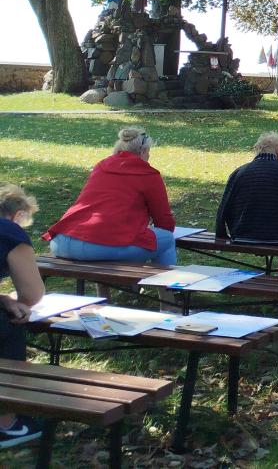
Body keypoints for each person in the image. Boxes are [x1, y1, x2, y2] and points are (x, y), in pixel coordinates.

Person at [45, 127, 176, 265]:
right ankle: (166, 280)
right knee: (167, 240)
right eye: (148, 152)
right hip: (97, 245)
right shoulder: (148, 174)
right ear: (143, 151)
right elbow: (164, 222)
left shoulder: (101, 166)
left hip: (61, 241)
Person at [215, 132, 278, 276]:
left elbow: (223, 206)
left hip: (242, 235)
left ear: (258, 150)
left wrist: (221, 234)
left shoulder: (239, 172)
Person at [1, 184, 46, 449]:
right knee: (12, 323)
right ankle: (7, 422)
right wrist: (14, 303)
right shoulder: (10, 232)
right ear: (18, 215)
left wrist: (3, 298)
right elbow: (32, 294)